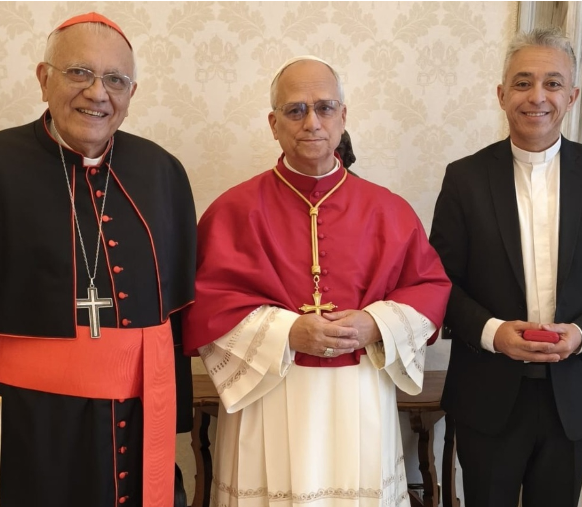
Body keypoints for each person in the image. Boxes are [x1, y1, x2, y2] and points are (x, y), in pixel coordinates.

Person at [0, 12, 196, 507]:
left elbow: (176, 320)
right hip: (26, 432)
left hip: (138, 433)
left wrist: (172, 424)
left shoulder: (163, 172)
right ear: (43, 78)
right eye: (79, 72)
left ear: (131, 95)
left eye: (116, 80)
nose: (98, 93)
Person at [183, 55, 452, 507]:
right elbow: (205, 305)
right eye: (295, 110)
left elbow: (429, 288)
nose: (312, 122)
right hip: (268, 390)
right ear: (273, 123)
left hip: (360, 391)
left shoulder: (388, 209)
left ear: (343, 117)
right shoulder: (234, 210)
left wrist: (374, 324)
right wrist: (288, 331)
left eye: (325, 108)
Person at [429, 27, 582, 507]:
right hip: (486, 394)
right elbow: (437, 284)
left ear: (572, 95)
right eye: (523, 82)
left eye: (553, 83)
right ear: (501, 94)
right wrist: (492, 331)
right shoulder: (464, 178)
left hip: (573, 397)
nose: (537, 97)